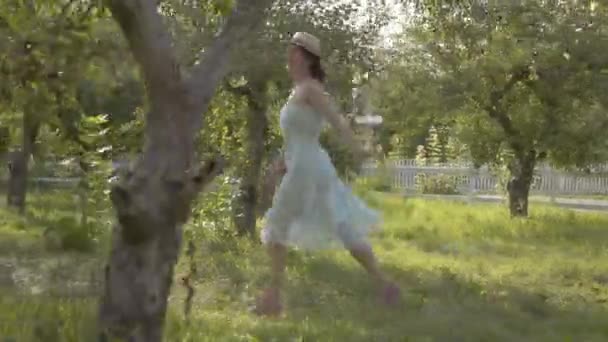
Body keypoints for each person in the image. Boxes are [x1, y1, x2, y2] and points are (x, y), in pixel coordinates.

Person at [254, 32, 400, 316]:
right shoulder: (296, 91)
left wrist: (358, 149)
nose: (289, 56)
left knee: (276, 227)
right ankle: (384, 285)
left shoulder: (311, 89)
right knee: (341, 224)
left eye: (293, 51)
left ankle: (273, 300)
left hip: (308, 168)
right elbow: (298, 137)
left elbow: (336, 120)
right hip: (308, 165)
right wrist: (279, 166)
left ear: (305, 57)